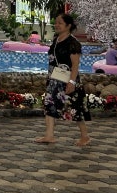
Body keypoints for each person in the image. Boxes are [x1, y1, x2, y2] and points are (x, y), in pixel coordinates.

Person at [35, 13, 91, 146]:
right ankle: (49, 135)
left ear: (68, 25)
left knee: (75, 108)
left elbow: (75, 65)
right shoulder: (56, 39)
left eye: (60, 23)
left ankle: (85, 136)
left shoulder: (73, 43)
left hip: (68, 80)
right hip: (54, 79)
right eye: (56, 22)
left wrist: (72, 82)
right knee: (49, 105)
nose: (57, 25)